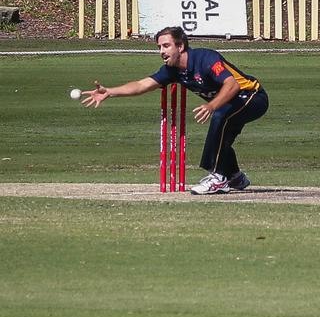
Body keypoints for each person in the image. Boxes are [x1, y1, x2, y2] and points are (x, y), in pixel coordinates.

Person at [82, 26, 269, 195]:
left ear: (180, 47)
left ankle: (218, 178)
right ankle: (235, 176)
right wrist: (110, 92)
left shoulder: (206, 59)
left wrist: (212, 105)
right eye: (159, 48)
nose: (162, 52)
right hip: (230, 104)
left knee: (220, 116)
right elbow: (141, 85)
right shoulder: (172, 71)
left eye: (166, 46)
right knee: (222, 135)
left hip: (252, 95)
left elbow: (232, 84)